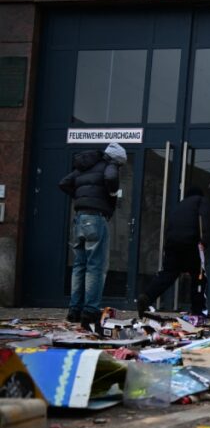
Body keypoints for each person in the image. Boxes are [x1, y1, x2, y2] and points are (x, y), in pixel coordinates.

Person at [59, 142, 126, 331]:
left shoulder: (86, 166)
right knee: (96, 266)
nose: (119, 167)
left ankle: (74, 310)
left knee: (79, 265)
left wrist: (81, 197)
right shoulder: (110, 164)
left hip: (79, 218)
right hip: (96, 218)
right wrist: (111, 192)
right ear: (117, 159)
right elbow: (111, 177)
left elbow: (63, 183)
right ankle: (90, 310)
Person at [137, 187, 210, 320]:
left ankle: (147, 296)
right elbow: (204, 220)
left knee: (168, 274)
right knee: (199, 276)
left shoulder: (179, 206)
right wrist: (204, 241)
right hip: (191, 242)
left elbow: (170, 226)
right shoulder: (201, 201)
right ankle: (198, 311)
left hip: (173, 244)